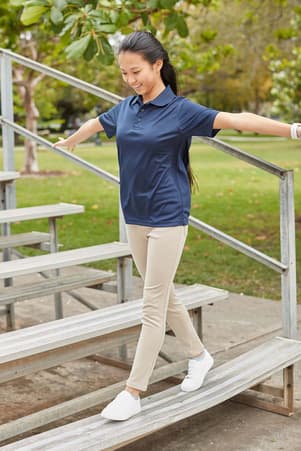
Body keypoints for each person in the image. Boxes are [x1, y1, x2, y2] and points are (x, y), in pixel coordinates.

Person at [54, 31, 300, 422]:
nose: (130, 79)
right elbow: (97, 123)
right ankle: (200, 357)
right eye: (123, 73)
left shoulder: (181, 111)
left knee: (151, 304)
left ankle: (133, 391)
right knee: (164, 294)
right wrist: (73, 139)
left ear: (157, 64)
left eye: (136, 71)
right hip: (133, 214)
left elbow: (238, 120)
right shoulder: (127, 108)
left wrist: (292, 130)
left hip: (168, 216)